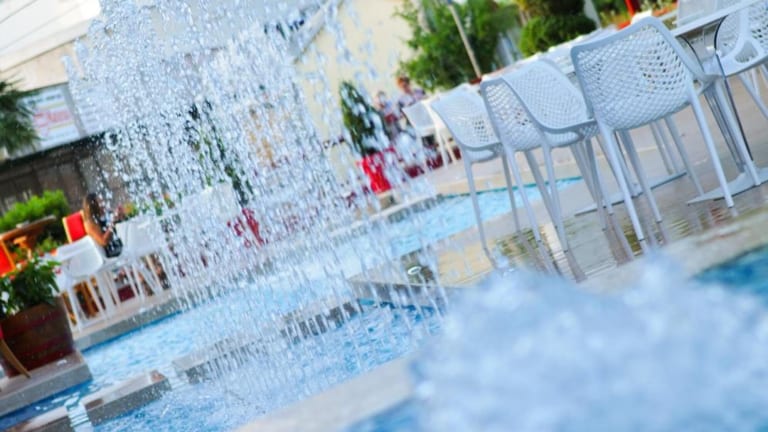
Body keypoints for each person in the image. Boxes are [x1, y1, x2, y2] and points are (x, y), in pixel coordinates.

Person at [82, 192, 123, 258]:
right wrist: (114, 221)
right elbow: (103, 241)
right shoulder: (90, 223)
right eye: (100, 202)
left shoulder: (103, 213)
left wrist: (120, 214)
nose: (103, 204)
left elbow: (118, 221)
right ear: (93, 206)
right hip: (112, 252)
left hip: (119, 244)